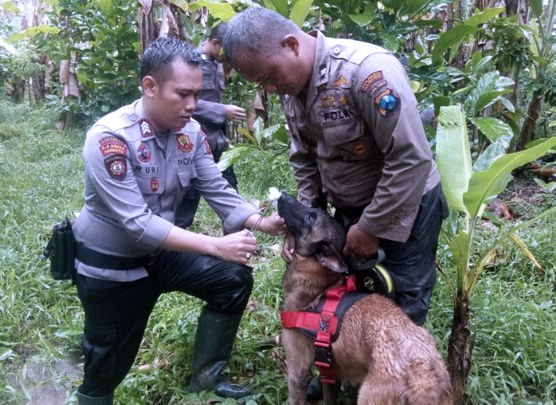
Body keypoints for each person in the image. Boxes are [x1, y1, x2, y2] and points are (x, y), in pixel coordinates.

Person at [224, 8, 448, 396]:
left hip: (405, 205)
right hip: (351, 209)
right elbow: (304, 159)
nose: (271, 89)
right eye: (262, 83)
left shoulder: (367, 72)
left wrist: (371, 226)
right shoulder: (293, 90)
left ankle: (405, 386)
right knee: (356, 293)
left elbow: (411, 158)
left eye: (270, 76)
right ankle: (346, 369)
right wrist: (304, 225)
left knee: (404, 298)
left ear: (291, 44)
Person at [70, 36, 285, 405]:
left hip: (161, 255)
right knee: (105, 366)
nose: (192, 106)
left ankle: (206, 379)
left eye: (197, 95)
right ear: (150, 86)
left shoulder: (190, 133)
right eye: (182, 94)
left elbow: (215, 185)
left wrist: (258, 221)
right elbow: (137, 223)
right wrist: (216, 245)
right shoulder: (110, 138)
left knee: (231, 280)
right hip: (113, 267)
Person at [174, 22, 246, 229]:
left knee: (229, 190)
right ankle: (176, 240)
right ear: (215, 43)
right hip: (193, 140)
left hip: (216, 141)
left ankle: (237, 238)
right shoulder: (191, 63)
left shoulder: (215, 62)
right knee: (189, 193)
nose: (228, 59)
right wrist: (222, 111)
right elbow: (185, 104)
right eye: (226, 52)